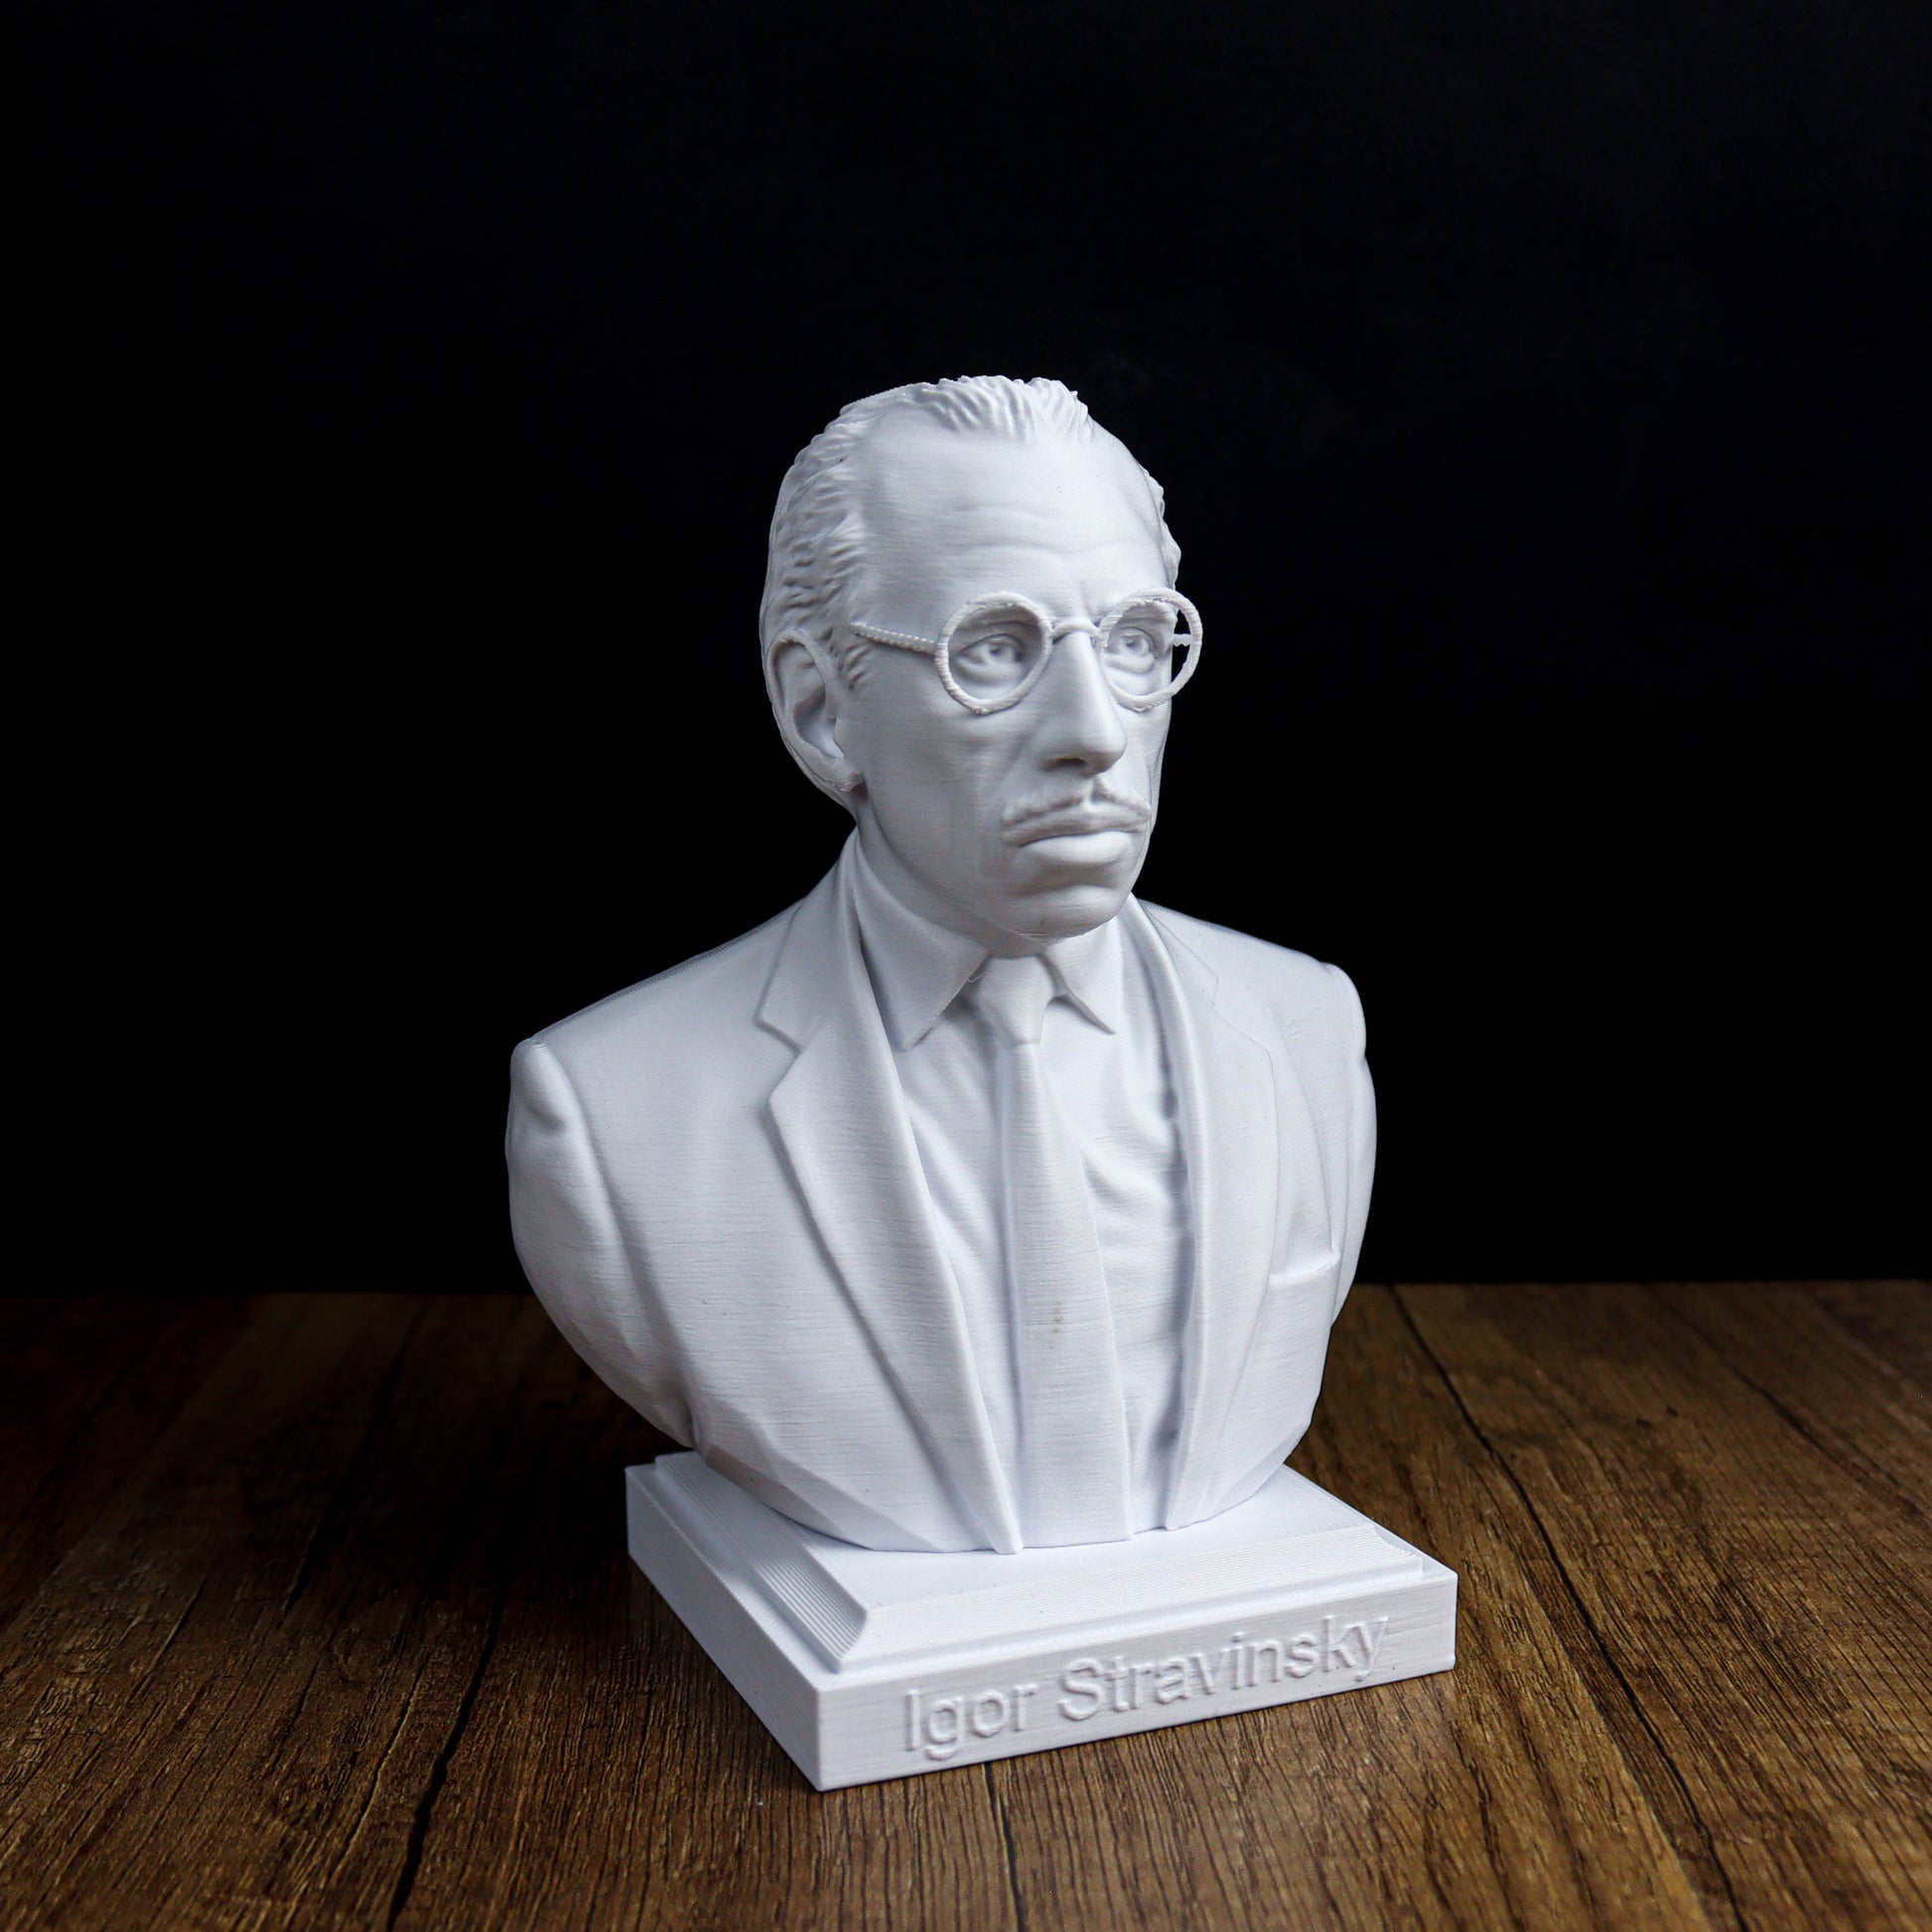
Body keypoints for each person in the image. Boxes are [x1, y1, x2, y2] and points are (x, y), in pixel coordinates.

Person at [507, 376, 1373, 1554]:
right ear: (822, 713)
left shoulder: (1305, 1030)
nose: (1095, 729)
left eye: (1130, 640)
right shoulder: (610, 1114)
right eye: (995, 648)